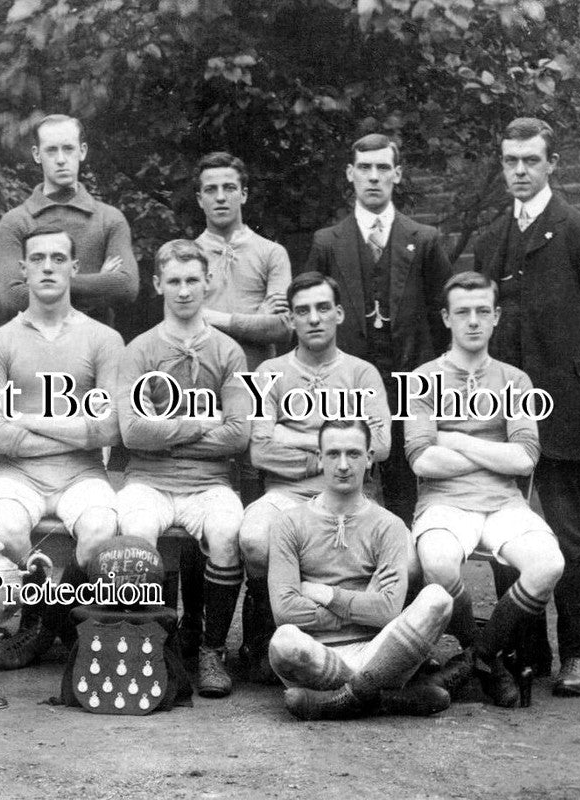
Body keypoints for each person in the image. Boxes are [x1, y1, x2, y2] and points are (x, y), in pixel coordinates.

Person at [473, 117, 580, 697]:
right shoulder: (491, 241)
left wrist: (579, 382)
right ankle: (526, 650)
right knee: (507, 537)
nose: (519, 171)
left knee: (568, 535)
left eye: (530, 161)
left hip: (562, 405)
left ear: (551, 163)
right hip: (504, 412)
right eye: (510, 161)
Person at [406, 271, 564, 708]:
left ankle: (480, 657)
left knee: (548, 563)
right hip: (444, 503)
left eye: (482, 312)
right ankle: (488, 658)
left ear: (495, 317)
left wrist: (453, 439)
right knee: (436, 562)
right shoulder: (422, 379)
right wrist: (493, 448)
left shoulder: (514, 379)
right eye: (462, 312)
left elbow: (525, 458)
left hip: (503, 504)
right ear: (446, 318)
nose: (472, 321)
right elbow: (421, 459)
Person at [0, 227, 125, 664]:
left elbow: (108, 431)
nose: (47, 266)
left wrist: (26, 419)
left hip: (83, 475)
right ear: (22, 269)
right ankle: (55, 620)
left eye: (58, 258)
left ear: (74, 268)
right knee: (3, 529)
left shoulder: (103, 339)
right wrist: (72, 428)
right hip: (16, 476)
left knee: (99, 532)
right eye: (37, 258)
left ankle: (42, 625)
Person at [238, 271, 391, 682]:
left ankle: (359, 631)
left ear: (339, 313)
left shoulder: (362, 374)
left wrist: (296, 433)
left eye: (323, 308)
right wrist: (328, 448)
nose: (314, 318)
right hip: (286, 494)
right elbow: (260, 449)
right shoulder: (270, 371)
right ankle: (263, 627)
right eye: (302, 311)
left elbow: (379, 446)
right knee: (253, 537)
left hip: (352, 497)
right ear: (290, 320)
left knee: (402, 559)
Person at [115, 239, 251, 697]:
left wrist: (166, 430)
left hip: (208, 484)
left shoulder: (229, 352)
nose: (184, 290)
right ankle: (147, 647)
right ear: (157, 285)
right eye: (173, 281)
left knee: (229, 531)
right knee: (134, 534)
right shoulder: (140, 350)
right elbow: (133, 433)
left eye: (193, 280)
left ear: (207, 283)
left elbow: (238, 434)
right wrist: (197, 423)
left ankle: (212, 649)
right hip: (147, 481)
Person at [302, 133, 452, 525]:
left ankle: (407, 580)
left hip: (407, 385)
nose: (373, 177)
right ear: (350, 174)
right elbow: (310, 317)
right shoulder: (328, 243)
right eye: (364, 168)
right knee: (344, 481)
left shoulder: (424, 240)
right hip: (346, 385)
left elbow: (443, 320)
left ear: (397, 174)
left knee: (406, 487)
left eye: (383, 168)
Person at [267, 419, 454, 721]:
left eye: (353, 454)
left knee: (438, 598)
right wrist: (362, 605)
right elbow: (285, 612)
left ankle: (337, 701)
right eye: (333, 454)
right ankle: (385, 698)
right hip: (316, 653)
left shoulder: (389, 525)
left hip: (378, 651)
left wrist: (326, 594)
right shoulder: (288, 523)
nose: (343, 465)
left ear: (369, 458)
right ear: (319, 458)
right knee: (283, 641)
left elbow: (388, 611)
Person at [0, 114, 138, 327]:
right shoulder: (16, 222)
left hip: (95, 346)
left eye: (68, 148)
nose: (61, 159)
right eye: (51, 150)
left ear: (82, 151)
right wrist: (98, 282)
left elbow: (126, 287)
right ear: (37, 155)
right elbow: (12, 297)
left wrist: (43, 284)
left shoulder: (109, 218)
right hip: (32, 346)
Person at [193, 151, 291, 371]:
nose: (220, 197)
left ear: (244, 194)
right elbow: (182, 323)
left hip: (257, 378)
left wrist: (210, 316)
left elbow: (282, 329)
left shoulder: (272, 252)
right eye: (211, 189)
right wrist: (257, 320)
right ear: (200, 199)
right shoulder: (189, 255)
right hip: (204, 377)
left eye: (229, 188)